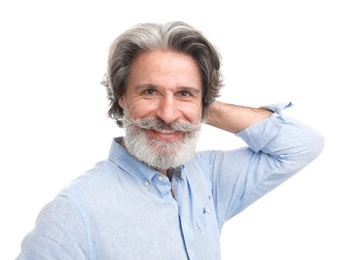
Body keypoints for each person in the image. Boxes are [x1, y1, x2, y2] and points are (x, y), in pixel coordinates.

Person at [16, 21, 324, 260]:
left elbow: (300, 144)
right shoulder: (74, 212)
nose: (167, 113)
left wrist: (198, 108)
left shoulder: (209, 180)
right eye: (149, 91)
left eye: (183, 93)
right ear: (122, 96)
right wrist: (187, 102)